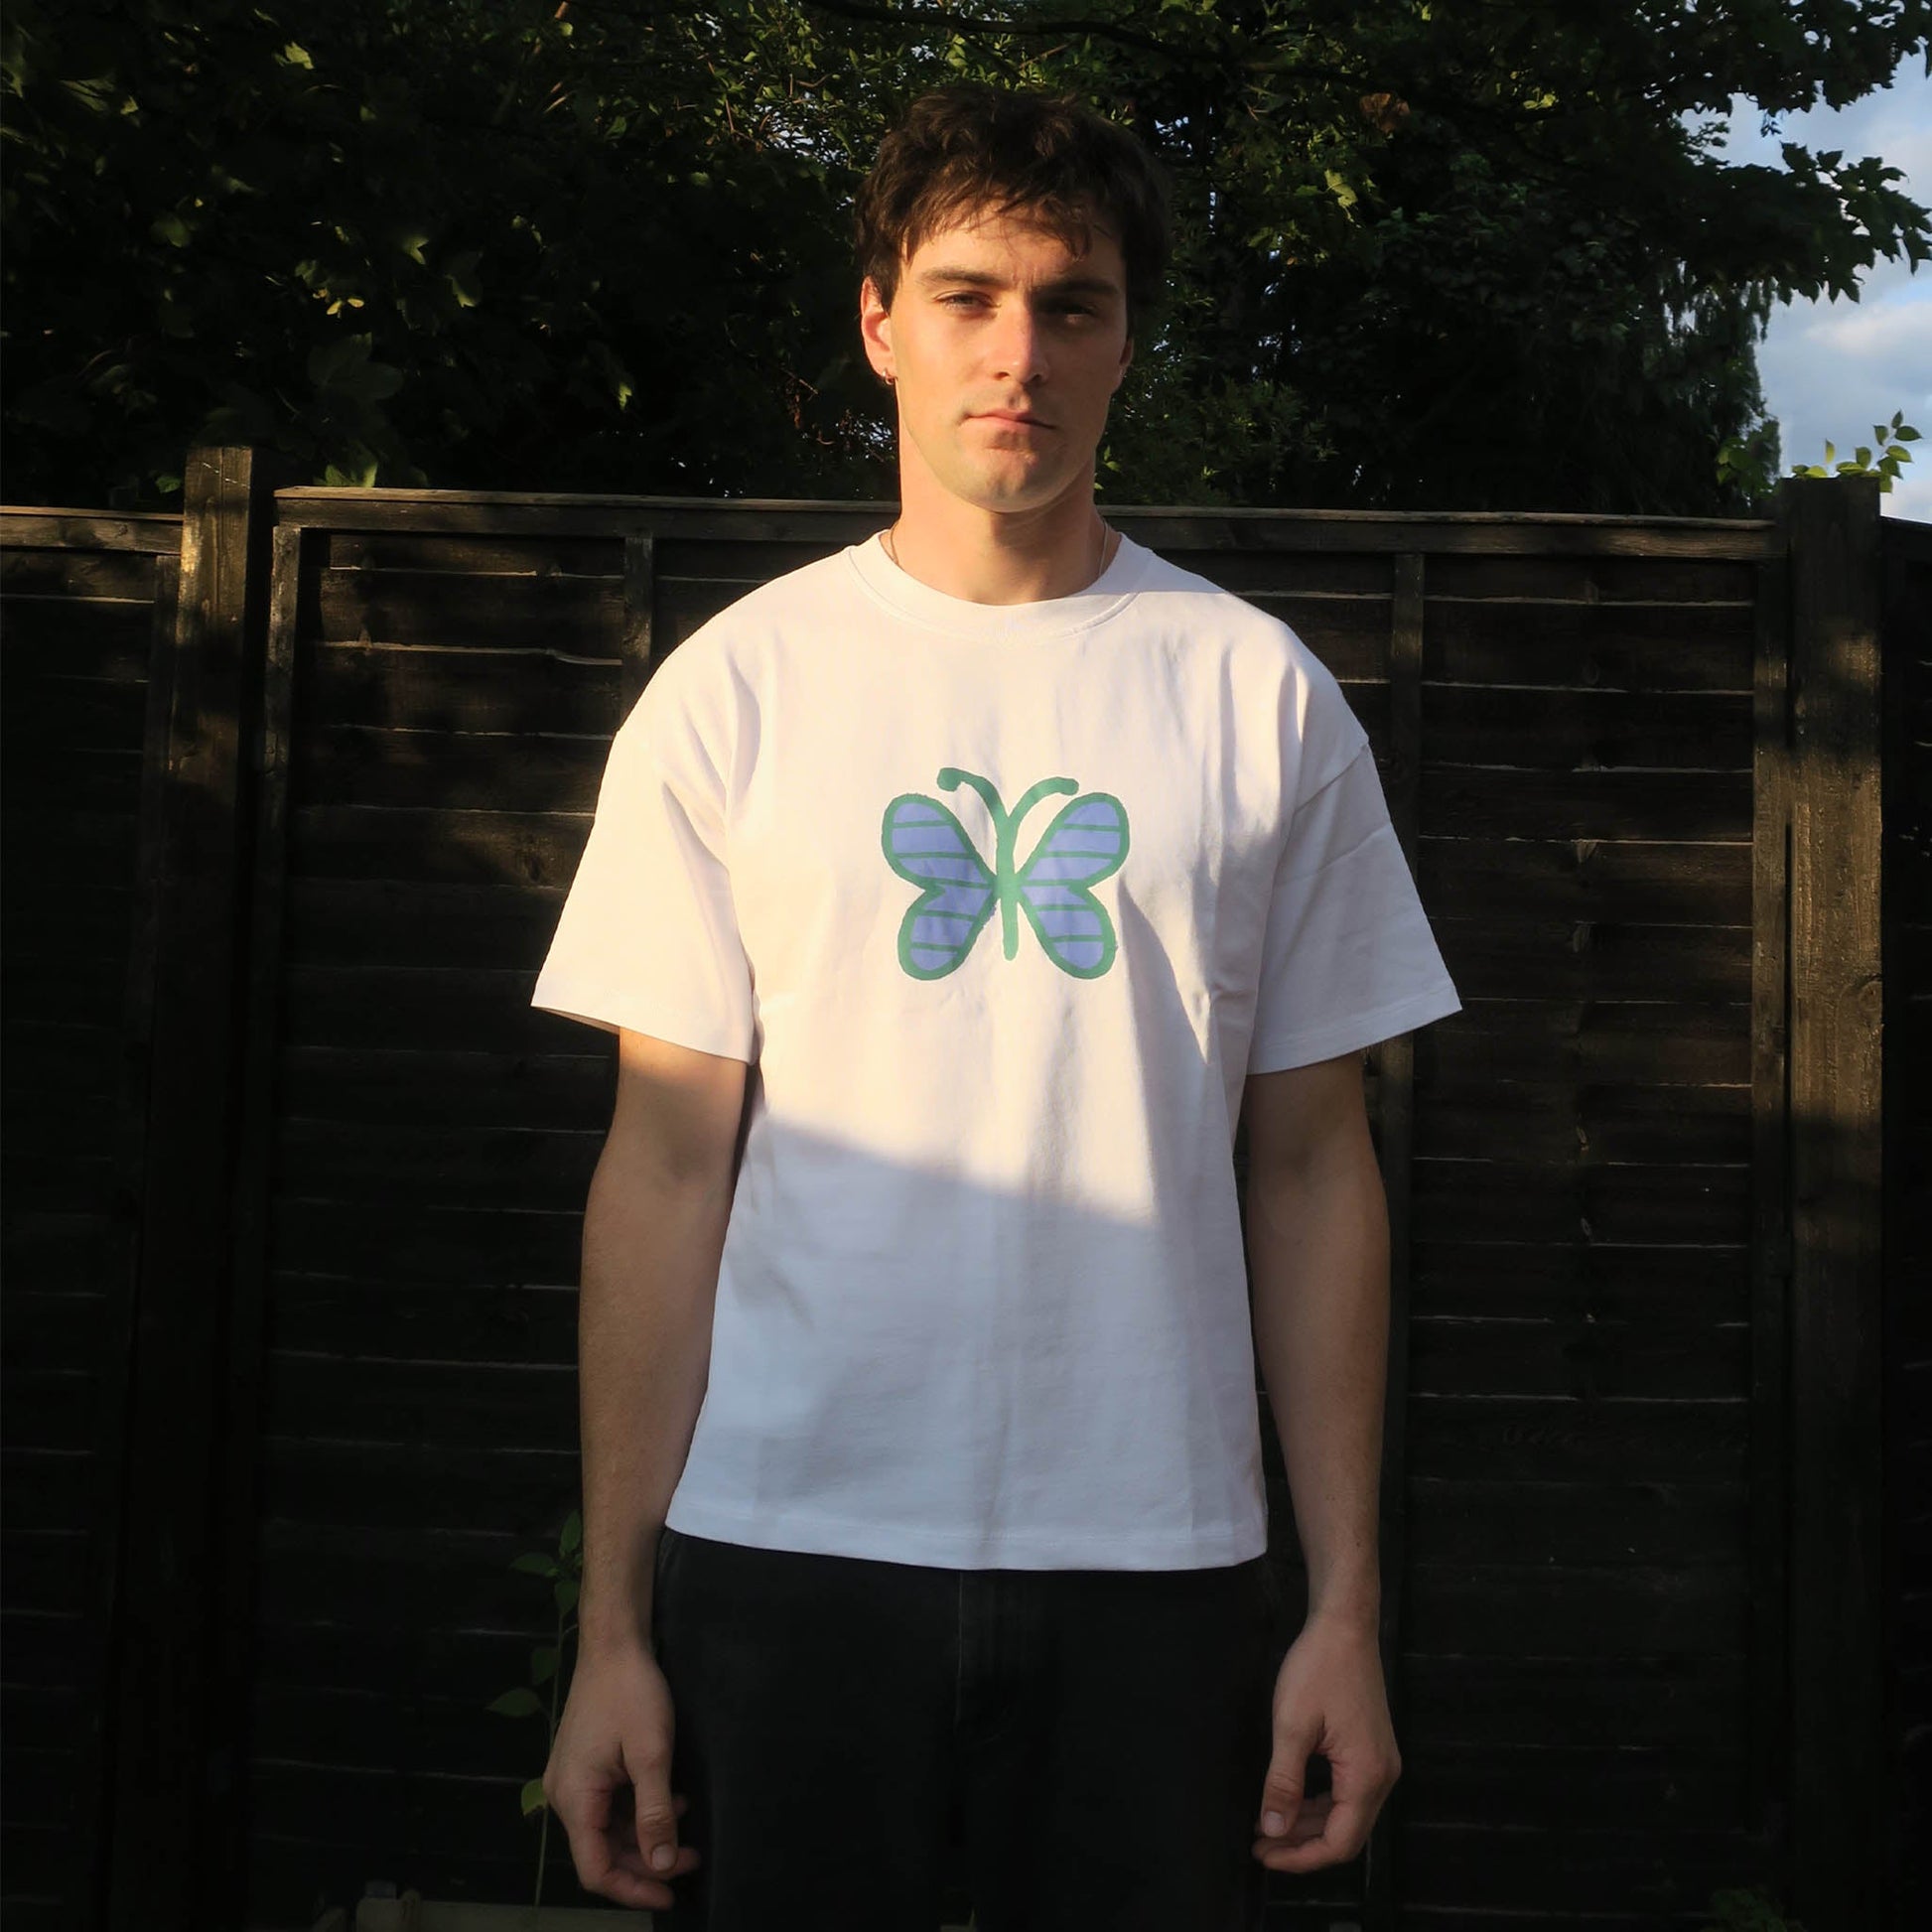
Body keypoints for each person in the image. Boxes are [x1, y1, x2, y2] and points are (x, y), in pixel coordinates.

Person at [530, 81, 1462, 1931]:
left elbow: (1311, 1170)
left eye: (1070, 303)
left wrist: (1342, 1610)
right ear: (879, 321)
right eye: (965, 297)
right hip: (783, 1551)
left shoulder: (1256, 694)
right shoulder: (736, 691)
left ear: (1126, 339)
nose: (1016, 353)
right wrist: (612, 1629)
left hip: (1161, 1564)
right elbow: (663, 1167)